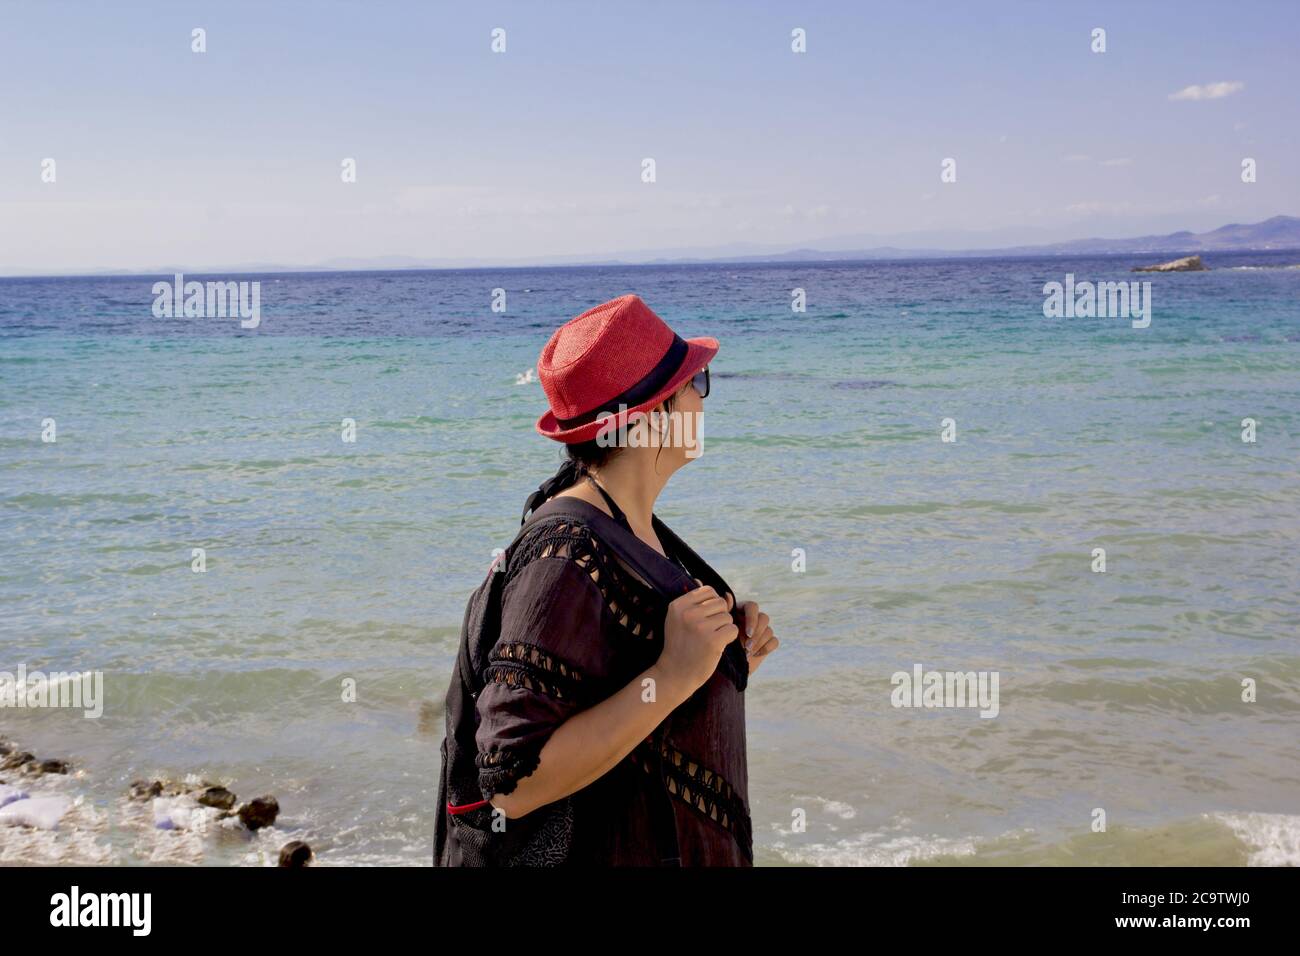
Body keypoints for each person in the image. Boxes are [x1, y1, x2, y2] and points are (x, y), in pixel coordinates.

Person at [470, 293, 780, 865]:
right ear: (653, 413)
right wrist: (673, 675)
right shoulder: (562, 556)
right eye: (696, 382)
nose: (703, 400)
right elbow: (509, 784)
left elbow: (622, 698)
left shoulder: (634, 529)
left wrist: (720, 665)